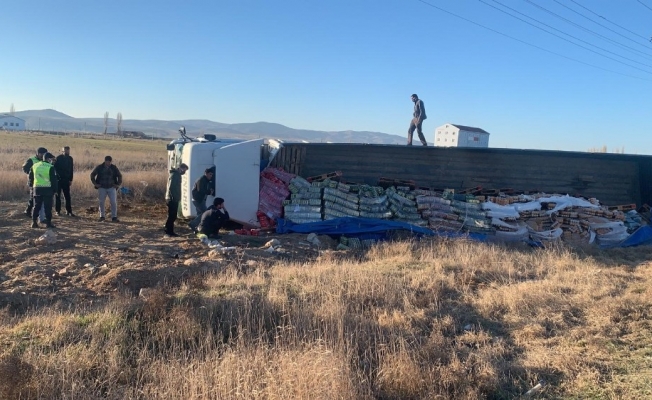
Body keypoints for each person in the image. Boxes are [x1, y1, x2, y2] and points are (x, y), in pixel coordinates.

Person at [28, 153, 59, 228]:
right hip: (47, 189)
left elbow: (30, 178)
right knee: (48, 207)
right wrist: (55, 190)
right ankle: (48, 223)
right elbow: (53, 180)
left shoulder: (34, 166)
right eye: (52, 159)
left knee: (36, 206)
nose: (52, 161)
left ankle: (34, 222)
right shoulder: (50, 167)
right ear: (48, 159)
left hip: (37, 189)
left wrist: (32, 187)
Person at [90, 156, 123, 222]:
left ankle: (114, 217)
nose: (108, 163)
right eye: (107, 162)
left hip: (111, 187)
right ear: (105, 161)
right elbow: (92, 175)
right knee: (101, 202)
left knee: (113, 202)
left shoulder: (114, 168)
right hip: (102, 187)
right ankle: (102, 216)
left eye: (110, 162)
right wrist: (95, 184)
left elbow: (119, 176)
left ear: (111, 161)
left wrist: (117, 185)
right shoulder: (100, 167)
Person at [22, 147, 48, 216]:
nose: (43, 156)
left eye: (44, 154)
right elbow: (24, 168)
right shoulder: (31, 160)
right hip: (33, 181)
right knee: (33, 198)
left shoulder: (45, 160)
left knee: (39, 199)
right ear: (38, 153)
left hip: (42, 182)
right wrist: (32, 173)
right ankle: (28, 211)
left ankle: (38, 213)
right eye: (42, 154)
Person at [164, 163, 189, 237]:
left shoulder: (176, 175)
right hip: (172, 199)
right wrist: (173, 198)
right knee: (171, 216)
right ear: (181, 168)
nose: (184, 172)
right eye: (184, 170)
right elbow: (171, 188)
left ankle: (170, 231)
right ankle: (168, 231)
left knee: (173, 216)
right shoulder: (175, 175)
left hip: (173, 198)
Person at [54, 146, 75, 217]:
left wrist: (70, 179)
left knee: (67, 196)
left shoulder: (70, 159)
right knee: (57, 196)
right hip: (59, 180)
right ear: (62, 151)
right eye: (64, 151)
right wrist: (56, 177)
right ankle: (57, 211)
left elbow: (71, 170)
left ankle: (69, 211)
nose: (66, 152)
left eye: (67, 151)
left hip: (66, 180)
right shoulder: (58, 158)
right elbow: (54, 169)